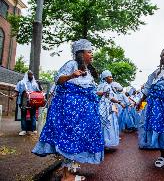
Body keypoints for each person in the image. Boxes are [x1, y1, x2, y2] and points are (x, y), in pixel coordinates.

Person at [32, 39, 104, 181]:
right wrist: (71, 75)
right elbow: (58, 79)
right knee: (70, 138)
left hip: (82, 114)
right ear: (81, 54)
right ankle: (67, 176)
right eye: (89, 52)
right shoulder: (71, 64)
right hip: (71, 112)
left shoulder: (88, 71)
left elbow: (87, 91)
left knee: (76, 139)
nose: (92, 54)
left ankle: (70, 171)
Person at [97, 70, 125, 148]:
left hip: (109, 107)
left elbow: (110, 97)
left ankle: (106, 143)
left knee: (108, 125)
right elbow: (96, 93)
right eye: (110, 77)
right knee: (106, 124)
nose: (111, 78)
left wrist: (119, 103)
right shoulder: (102, 86)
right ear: (105, 78)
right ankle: (104, 143)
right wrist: (103, 93)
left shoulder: (108, 86)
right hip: (103, 107)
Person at [13, 70, 42, 136]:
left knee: (33, 116)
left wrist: (39, 86)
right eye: (29, 74)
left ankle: (33, 130)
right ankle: (23, 130)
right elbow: (17, 92)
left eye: (32, 75)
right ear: (27, 75)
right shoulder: (21, 83)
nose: (31, 76)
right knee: (23, 116)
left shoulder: (35, 83)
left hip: (33, 102)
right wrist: (12, 96)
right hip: (23, 101)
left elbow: (39, 92)